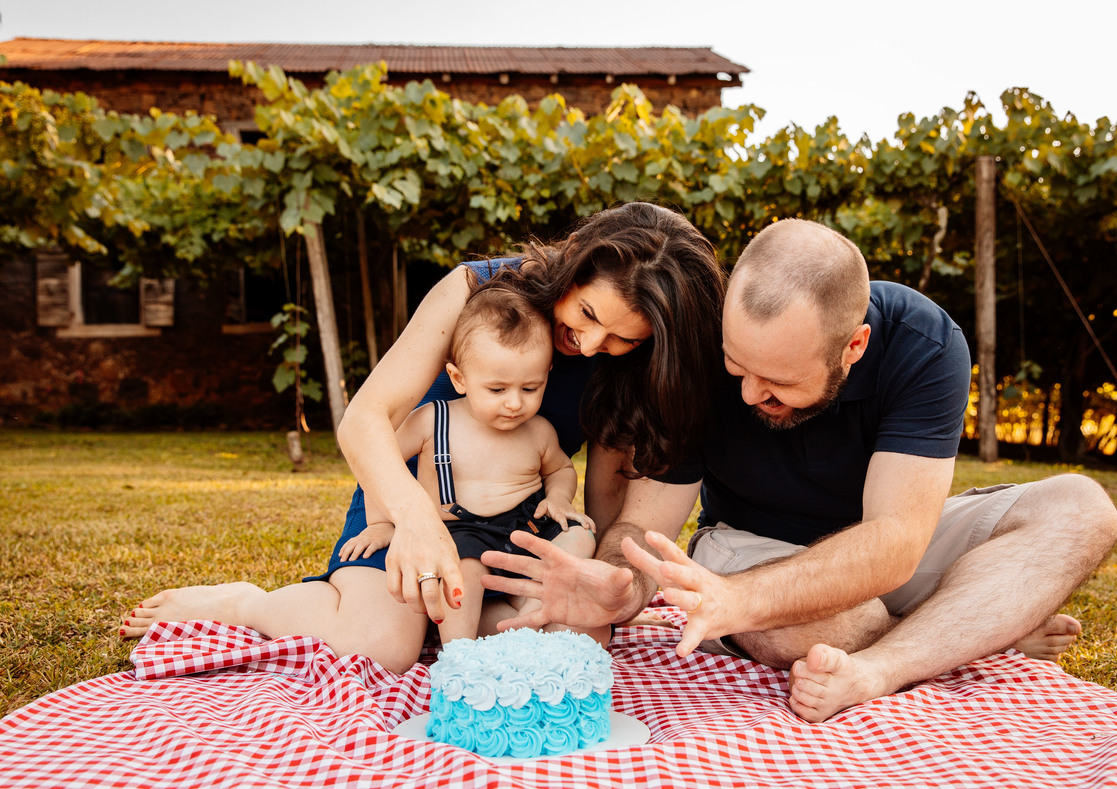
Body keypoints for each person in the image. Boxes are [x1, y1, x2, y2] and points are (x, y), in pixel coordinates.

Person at [480, 217, 1117, 723]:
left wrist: (740, 604)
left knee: (1080, 509)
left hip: (878, 543)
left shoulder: (925, 344)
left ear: (854, 346)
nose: (750, 394)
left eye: (780, 381)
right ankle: (975, 627)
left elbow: (896, 540)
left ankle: (882, 666)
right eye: (738, 365)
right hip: (749, 546)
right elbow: (645, 525)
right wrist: (624, 582)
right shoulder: (695, 354)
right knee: (821, 623)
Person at [120, 202, 727, 674]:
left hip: (513, 519)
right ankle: (242, 604)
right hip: (408, 499)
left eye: (623, 338)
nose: (593, 345)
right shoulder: (477, 292)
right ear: (575, 266)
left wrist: (596, 579)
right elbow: (366, 420)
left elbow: (606, 501)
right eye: (589, 315)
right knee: (383, 645)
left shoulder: (636, 364)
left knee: (568, 642)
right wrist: (412, 520)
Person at [337, 282, 601, 644]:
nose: (514, 404)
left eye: (530, 389)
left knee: (580, 538)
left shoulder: (538, 430)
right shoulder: (434, 419)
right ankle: (459, 651)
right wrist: (384, 523)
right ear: (459, 378)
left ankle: (529, 620)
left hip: (523, 526)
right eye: (497, 390)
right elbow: (381, 461)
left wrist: (558, 499)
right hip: (460, 532)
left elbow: (560, 469)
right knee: (466, 570)